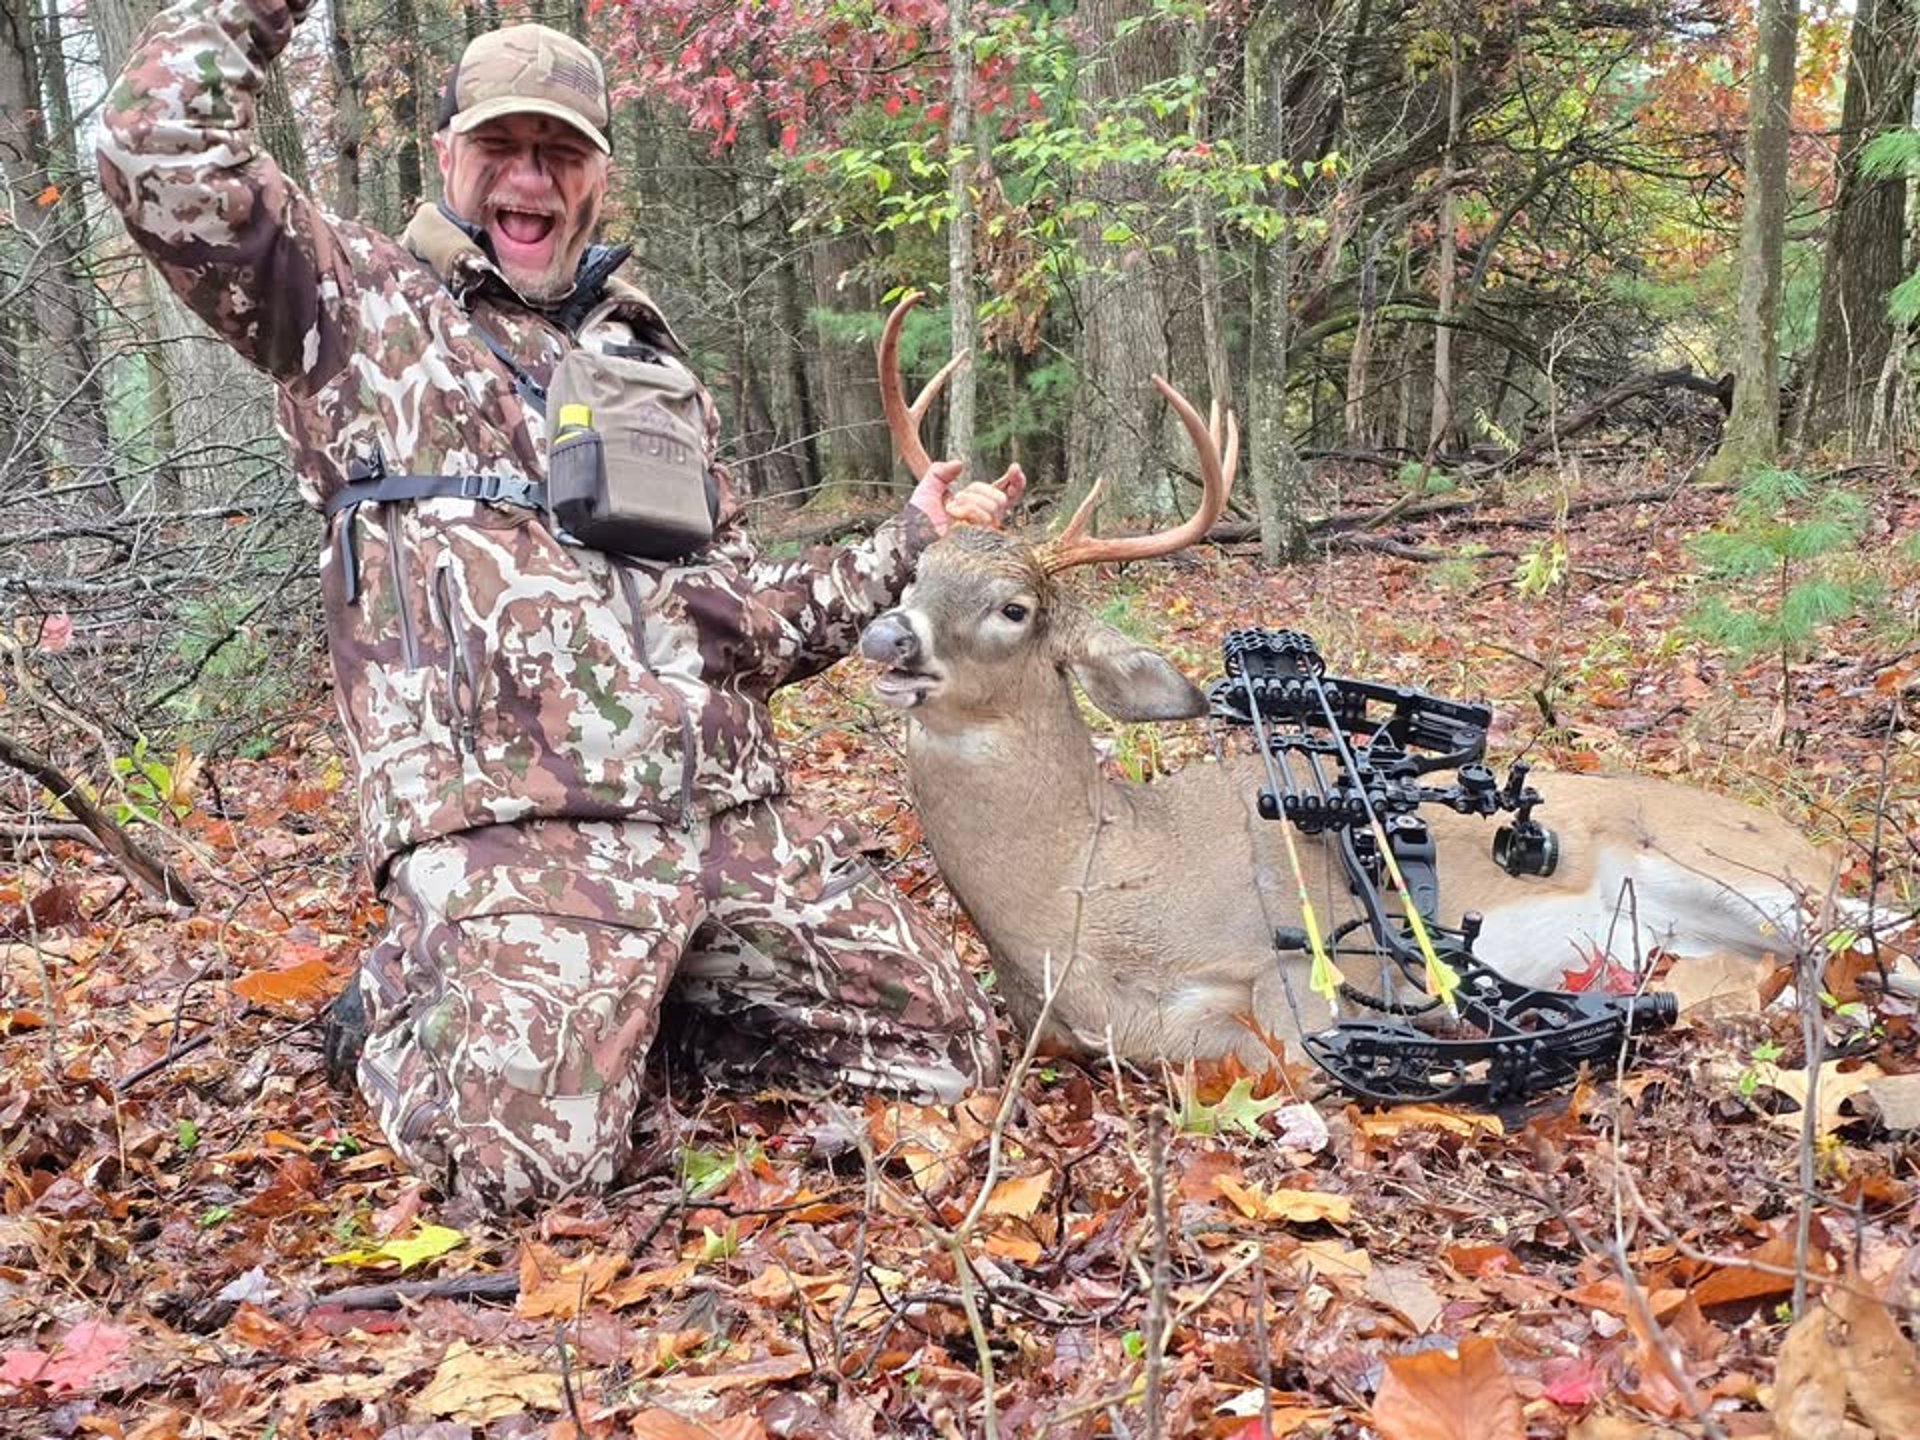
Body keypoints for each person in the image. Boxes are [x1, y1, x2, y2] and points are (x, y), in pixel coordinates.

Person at [98, 2, 1022, 1211]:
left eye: (561, 152)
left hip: (721, 822)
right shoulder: (353, 309)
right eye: (502, 146)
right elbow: (160, 147)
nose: (528, 177)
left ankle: (639, 1010)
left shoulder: (652, 365)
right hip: (520, 828)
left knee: (948, 1055)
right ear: (449, 158)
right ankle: (407, 1008)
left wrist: (909, 543)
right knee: (527, 1178)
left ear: (597, 178)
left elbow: (743, 623)